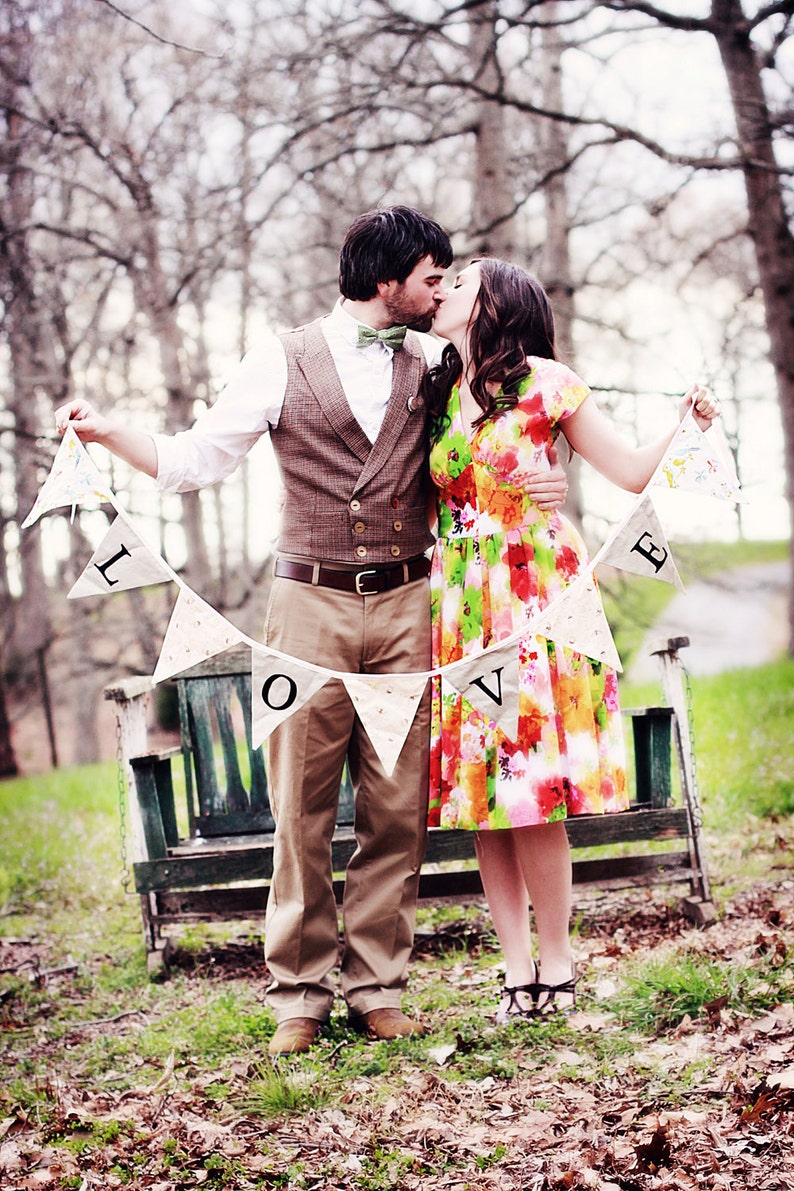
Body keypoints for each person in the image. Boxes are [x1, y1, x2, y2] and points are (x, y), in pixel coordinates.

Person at [54, 208, 568, 1055]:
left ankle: (378, 986)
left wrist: (545, 477)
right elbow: (194, 461)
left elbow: (507, 418)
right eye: (431, 274)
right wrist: (110, 432)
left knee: (396, 807)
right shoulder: (279, 357)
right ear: (386, 276)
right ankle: (300, 991)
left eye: (449, 278)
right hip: (305, 605)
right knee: (300, 801)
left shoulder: (438, 359)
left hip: (411, 601)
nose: (441, 289)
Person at [424, 257, 719, 1021]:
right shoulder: (435, 391)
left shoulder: (548, 382)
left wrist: (685, 426)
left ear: (495, 302)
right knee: (487, 796)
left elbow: (625, 470)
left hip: (535, 594)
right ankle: (515, 968)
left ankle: (557, 965)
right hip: (460, 603)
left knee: (534, 789)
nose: (442, 289)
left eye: (458, 281)